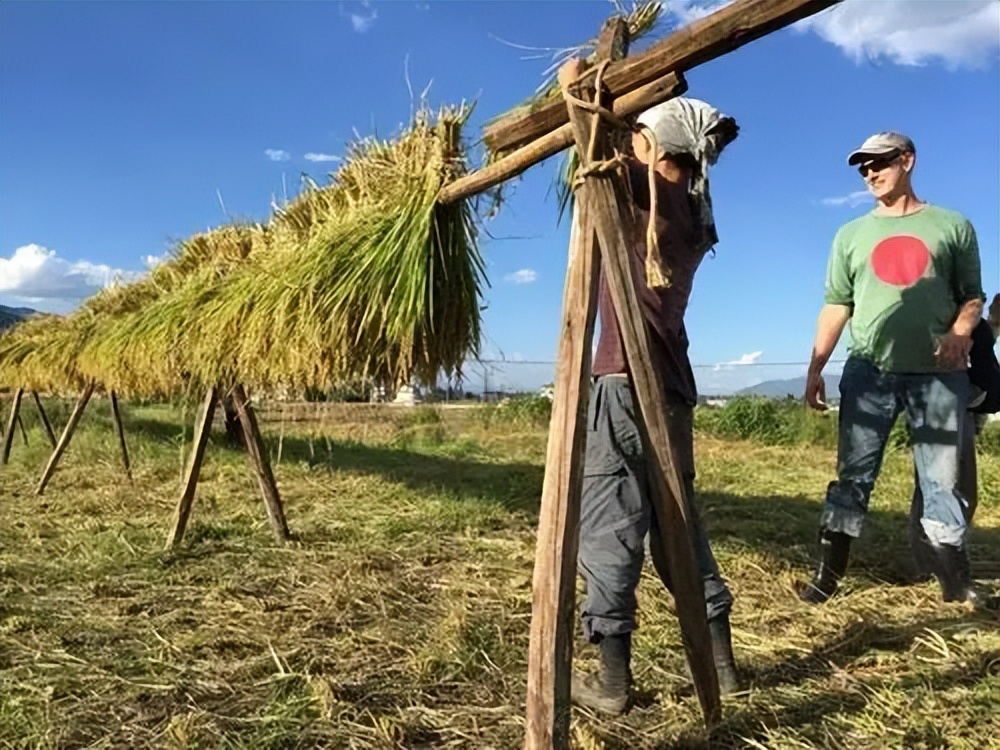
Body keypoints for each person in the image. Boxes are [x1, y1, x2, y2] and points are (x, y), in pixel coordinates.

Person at [558, 60, 742, 716]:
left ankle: (611, 682)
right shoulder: (693, 210)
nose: (631, 140)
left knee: (609, 522)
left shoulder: (643, 189)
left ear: (657, 148)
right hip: (671, 387)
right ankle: (722, 666)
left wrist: (579, 80)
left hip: (623, 381)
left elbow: (587, 122)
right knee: (678, 526)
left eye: (641, 133)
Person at [802, 131, 985, 606]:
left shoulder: (953, 225)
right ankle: (827, 578)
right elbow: (836, 304)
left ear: (908, 160)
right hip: (869, 374)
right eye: (862, 167)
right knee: (853, 475)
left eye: (879, 163)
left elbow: (972, 296)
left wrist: (962, 332)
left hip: (939, 376)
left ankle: (954, 582)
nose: (870, 173)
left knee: (941, 480)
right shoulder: (850, 235)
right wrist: (816, 365)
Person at [910, 292, 1000, 581]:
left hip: (956, 411)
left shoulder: (977, 329)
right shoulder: (956, 324)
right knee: (948, 491)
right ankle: (934, 567)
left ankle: (939, 563)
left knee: (952, 491)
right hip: (949, 411)